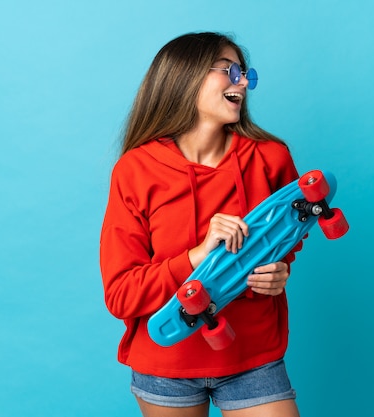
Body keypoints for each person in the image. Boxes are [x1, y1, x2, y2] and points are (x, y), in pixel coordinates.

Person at [99, 32, 304, 417]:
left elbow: (289, 238)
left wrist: (279, 272)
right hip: (167, 359)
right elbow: (121, 294)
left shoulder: (271, 158)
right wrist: (195, 257)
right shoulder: (135, 170)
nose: (242, 82)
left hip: (253, 355)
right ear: (185, 76)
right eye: (230, 71)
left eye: (245, 74)